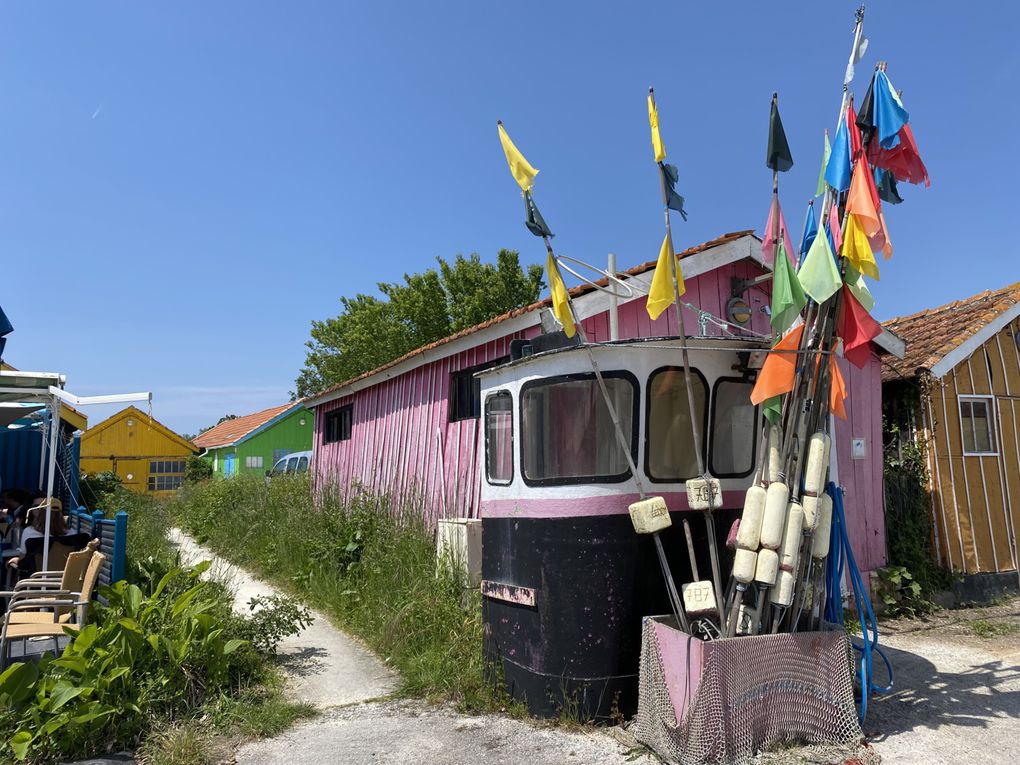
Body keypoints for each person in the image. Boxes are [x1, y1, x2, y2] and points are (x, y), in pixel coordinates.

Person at [6, 497, 67, 570]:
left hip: (36, 577)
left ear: (41, 514)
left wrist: (15, 560)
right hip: (63, 576)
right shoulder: (72, 533)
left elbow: (23, 560)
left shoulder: (29, 532)